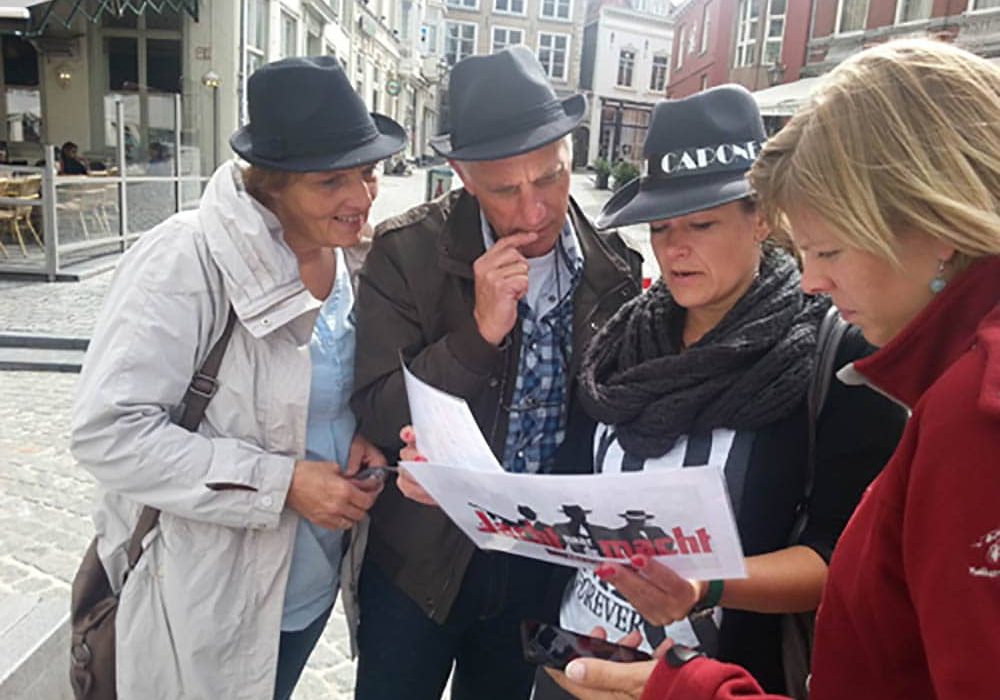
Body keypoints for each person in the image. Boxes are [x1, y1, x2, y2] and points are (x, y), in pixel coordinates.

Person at [548, 38, 1000, 700]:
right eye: (659, 228)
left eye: (829, 250)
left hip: (720, 665)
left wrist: (704, 611)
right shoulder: (624, 329)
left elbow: (841, 556)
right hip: (588, 643)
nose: (814, 279)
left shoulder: (869, 364)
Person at [70, 56, 405, 699]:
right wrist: (282, 484)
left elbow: (323, 389)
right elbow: (107, 433)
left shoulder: (352, 258)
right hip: (204, 599)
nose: (361, 198)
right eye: (331, 180)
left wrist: (362, 429)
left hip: (308, 587)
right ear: (272, 185)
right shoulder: (187, 257)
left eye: (368, 172)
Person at [349, 45, 642, 700]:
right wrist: (478, 335)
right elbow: (376, 411)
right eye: (507, 190)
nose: (534, 209)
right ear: (462, 176)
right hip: (421, 565)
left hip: (539, 568)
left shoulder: (615, 269)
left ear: (570, 153)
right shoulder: (406, 253)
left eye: (552, 177)